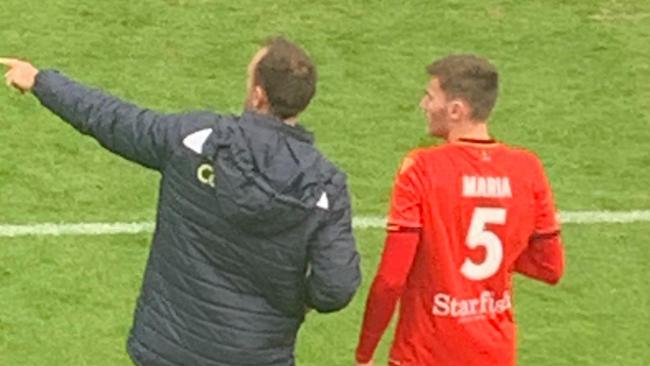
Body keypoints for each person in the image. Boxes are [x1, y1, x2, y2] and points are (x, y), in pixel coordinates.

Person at [2, 37, 361, 366]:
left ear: (258, 96)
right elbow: (337, 286)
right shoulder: (325, 186)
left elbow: (113, 119)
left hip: (169, 351)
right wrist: (294, 303)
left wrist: (41, 81)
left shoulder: (196, 140)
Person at [354, 54, 565, 366]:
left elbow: (391, 279)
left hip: (425, 354)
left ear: (456, 110)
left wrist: (365, 353)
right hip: (494, 354)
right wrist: (491, 252)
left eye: (430, 97)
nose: (423, 105)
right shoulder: (527, 168)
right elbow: (551, 267)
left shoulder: (421, 168)